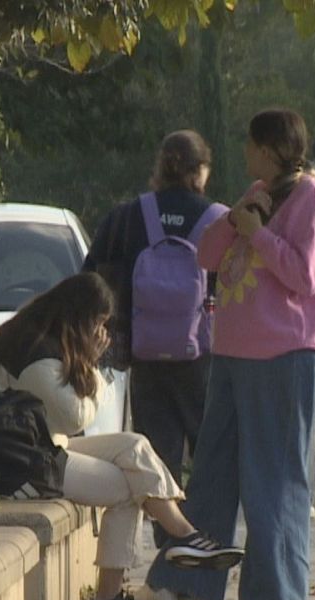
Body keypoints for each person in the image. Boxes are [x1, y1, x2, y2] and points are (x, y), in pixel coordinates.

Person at [143, 107, 315, 600]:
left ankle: (274, 599)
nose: (246, 153)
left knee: (273, 479)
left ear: (274, 147)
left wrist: (260, 235)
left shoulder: (313, 200)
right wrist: (235, 220)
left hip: (288, 355)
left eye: (253, 144)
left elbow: (308, 275)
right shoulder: (256, 193)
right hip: (233, 353)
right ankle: (181, 580)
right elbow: (206, 257)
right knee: (210, 475)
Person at [0, 273, 243, 600]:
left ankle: (185, 537)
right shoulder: (35, 353)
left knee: (134, 445)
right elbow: (73, 416)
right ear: (79, 318)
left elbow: (63, 423)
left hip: (35, 448)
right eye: (97, 324)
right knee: (128, 489)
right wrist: (93, 366)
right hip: (12, 464)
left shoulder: (35, 334)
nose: (101, 335)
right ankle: (112, 595)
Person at [82, 130, 221, 529]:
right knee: (209, 455)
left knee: (158, 461)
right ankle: (204, 542)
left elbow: (90, 279)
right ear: (201, 170)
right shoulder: (218, 219)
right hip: (203, 360)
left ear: (159, 167)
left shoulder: (126, 217)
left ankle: (168, 554)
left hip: (144, 357)